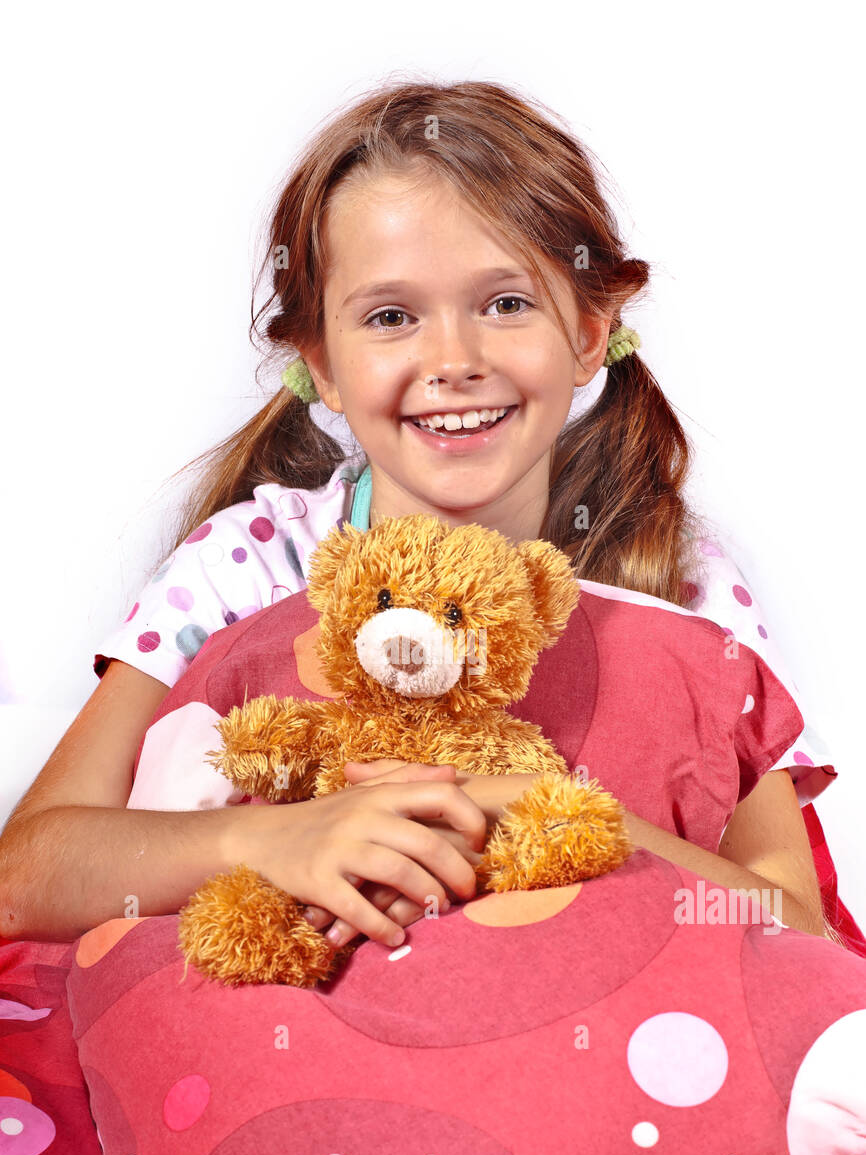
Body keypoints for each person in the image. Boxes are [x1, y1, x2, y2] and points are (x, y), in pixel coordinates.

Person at [0, 79, 832, 948]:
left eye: (506, 304)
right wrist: (267, 838)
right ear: (320, 362)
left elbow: (795, 926)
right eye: (392, 317)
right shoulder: (244, 566)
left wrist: (562, 820)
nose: (453, 360)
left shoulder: (676, 576)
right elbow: (24, 876)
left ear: (590, 333)